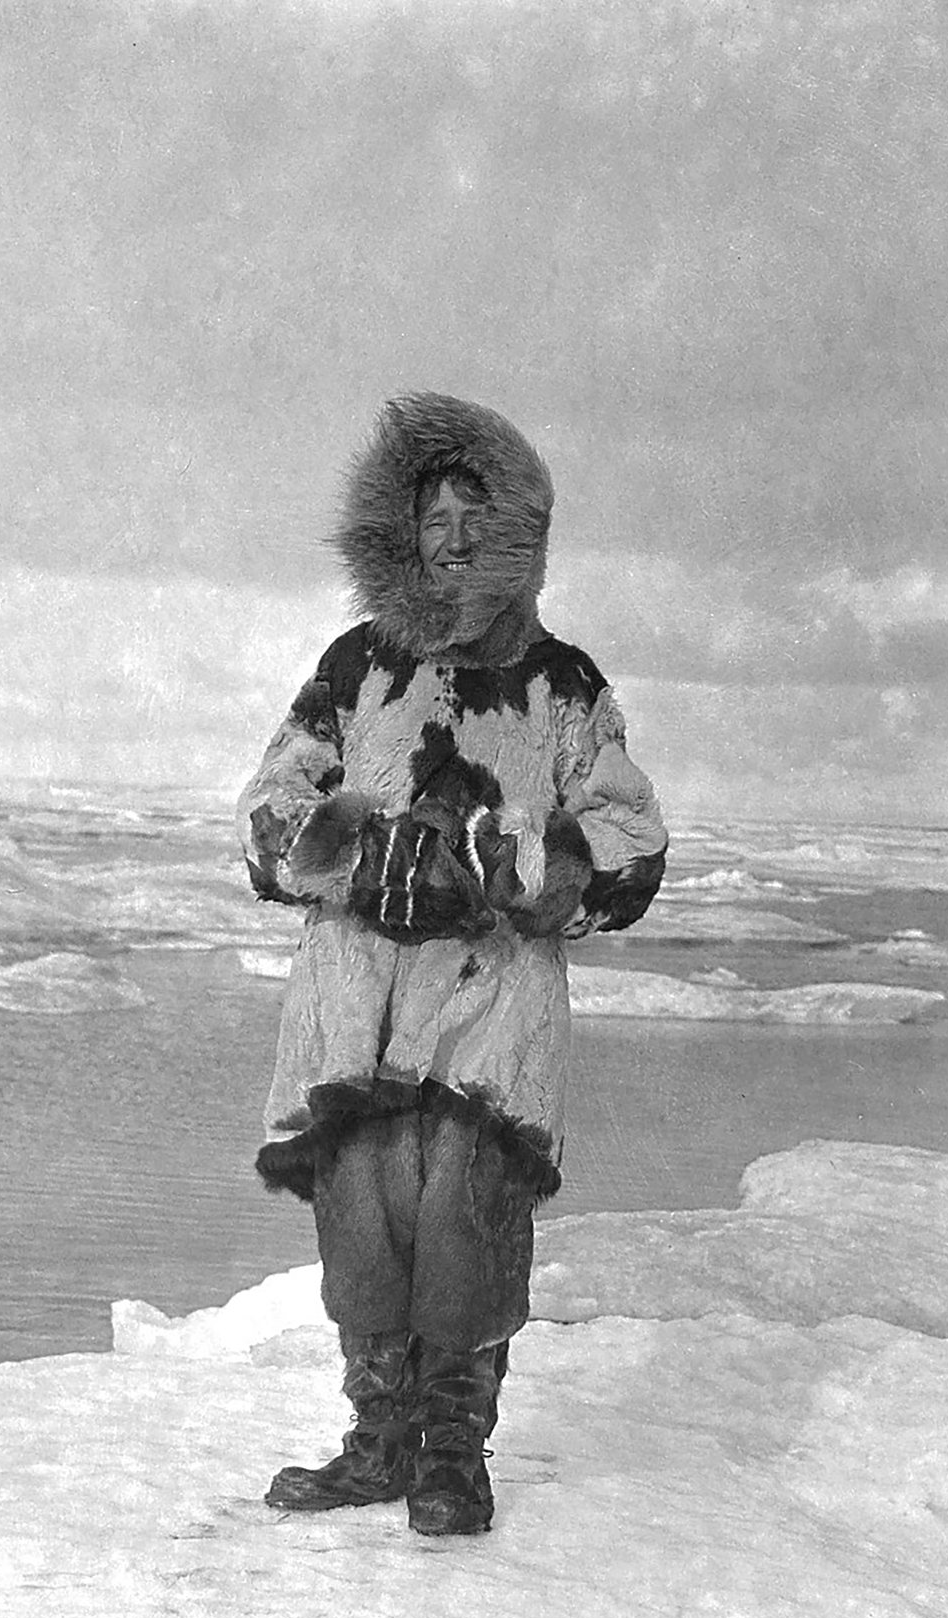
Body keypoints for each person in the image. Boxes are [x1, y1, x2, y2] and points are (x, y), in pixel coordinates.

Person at [238, 392, 668, 1536]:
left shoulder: (563, 684)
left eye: (478, 518)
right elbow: (272, 803)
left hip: (492, 1014)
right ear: (402, 532)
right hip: (354, 1010)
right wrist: (326, 840)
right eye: (434, 519)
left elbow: (629, 843)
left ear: (521, 533)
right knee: (366, 1227)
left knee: (468, 1224)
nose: (456, 541)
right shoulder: (357, 666)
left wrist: (517, 863)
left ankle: (452, 1456)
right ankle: (376, 1443)